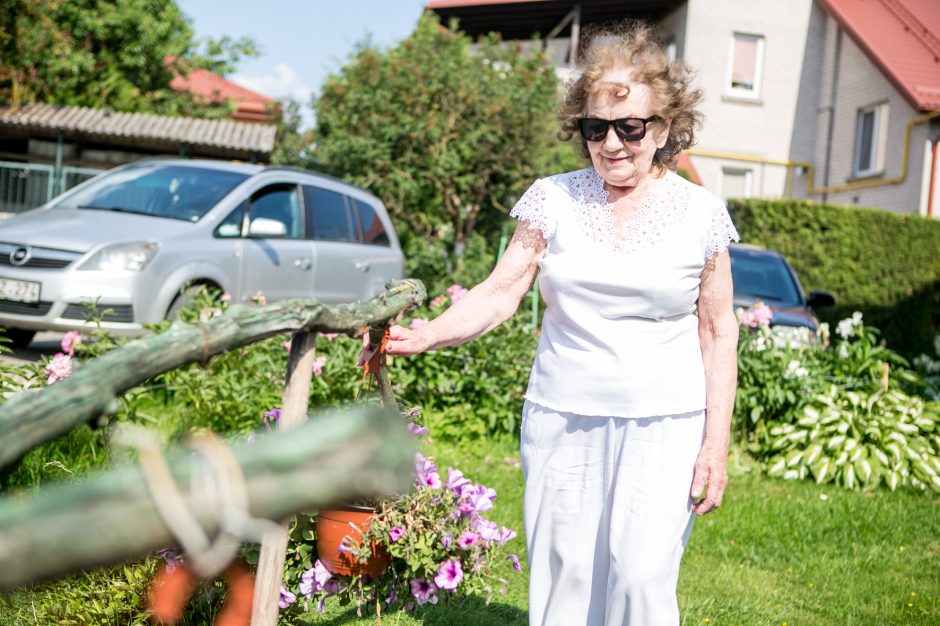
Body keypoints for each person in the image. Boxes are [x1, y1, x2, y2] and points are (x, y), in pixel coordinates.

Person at [362, 21, 739, 626]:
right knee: (565, 573)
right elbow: (502, 289)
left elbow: (719, 330)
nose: (611, 144)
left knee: (641, 577)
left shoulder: (701, 213)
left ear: (663, 129)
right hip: (562, 413)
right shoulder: (552, 199)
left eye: (630, 128)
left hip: (665, 421)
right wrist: (429, 332)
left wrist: (714, 446)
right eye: (596, 129)